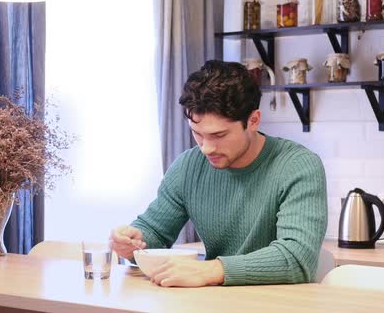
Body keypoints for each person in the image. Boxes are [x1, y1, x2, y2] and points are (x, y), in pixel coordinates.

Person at [110, 60, 327, 287]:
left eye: (219, 135)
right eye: (198, 134)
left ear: (253, 121)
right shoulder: (188, 166)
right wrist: (134, 242)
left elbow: (296, 258)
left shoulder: (298, 166)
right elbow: (155, 230)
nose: (206, 148)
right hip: (214, 302)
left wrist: (211, 269)